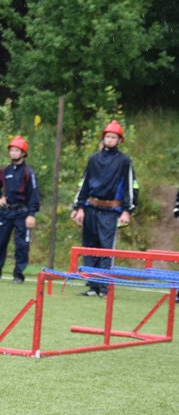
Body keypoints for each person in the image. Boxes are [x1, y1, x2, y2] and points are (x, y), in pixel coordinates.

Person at [70, 120, 138, 297]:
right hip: (91, 207)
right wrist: (78, 207)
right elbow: (83, 184)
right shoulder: (93, 159)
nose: (109, 140)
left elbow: (131, 186)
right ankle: (92, 285)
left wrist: (126, 210)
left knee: (106, 249)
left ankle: (104, 287)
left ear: (119, 140)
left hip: (110, 211)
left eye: (113, 137)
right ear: (103, 138)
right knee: (89, 247)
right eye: (107, 136)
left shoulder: (124, 161)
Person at [0, 135, 40, 284]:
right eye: (12, 150)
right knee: (0, 242)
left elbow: (34, 194)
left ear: (23, 153)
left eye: (17, 150)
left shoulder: (28, 172)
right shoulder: (3, 171)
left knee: (21, 245)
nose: (13, 153)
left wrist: (31, 214)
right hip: (6, 212)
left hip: (22, 212)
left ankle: (18, 274)